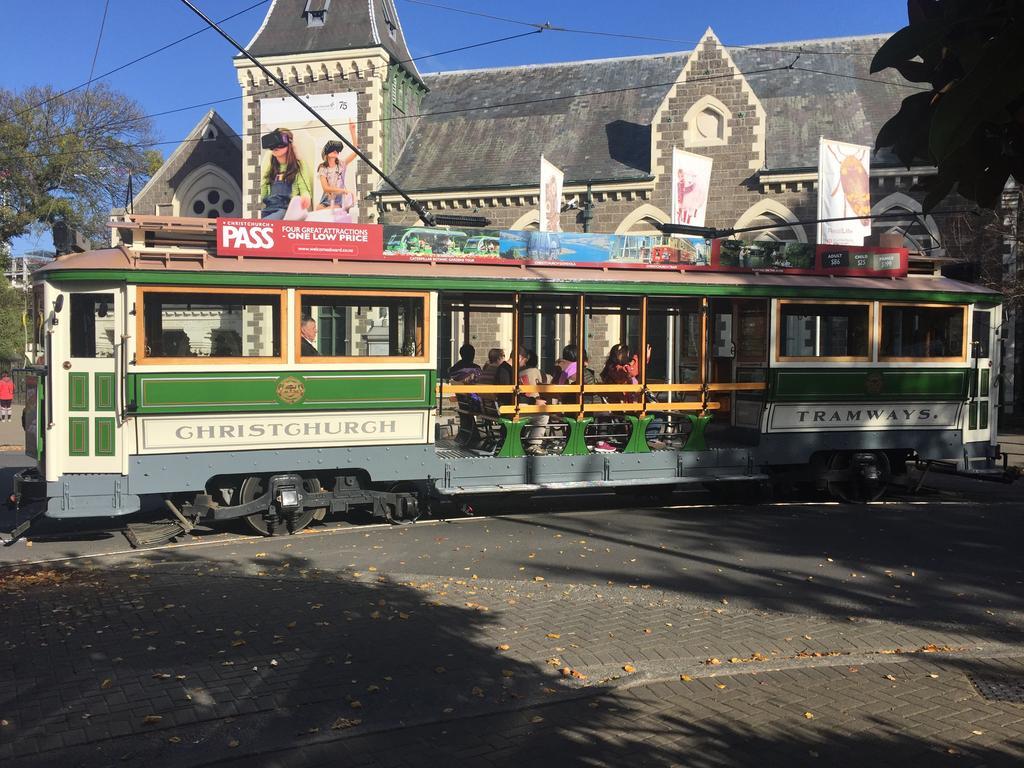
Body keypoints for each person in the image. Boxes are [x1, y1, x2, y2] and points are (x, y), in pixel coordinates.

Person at [260, 128, 313, 220]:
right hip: (268, 208)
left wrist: (306, 197)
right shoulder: (270, 166)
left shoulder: (298, 165)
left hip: (286, 210)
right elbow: (263, 190)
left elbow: (304, 189)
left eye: (279, 143)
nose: (275, 146)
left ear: (289, 144)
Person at [316, 126, 358, 214]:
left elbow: (355, 153)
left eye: (337, 150)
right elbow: (326, 188)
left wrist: (352, 131)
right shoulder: (323, 168)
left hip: (338, 201)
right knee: (318, 210)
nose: (335, 151)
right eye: (333, 149)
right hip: (326, 199)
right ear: (327, 153)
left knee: (327, 212)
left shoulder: (341, 165)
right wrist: (343, 191)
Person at [517, 349, 548, 455]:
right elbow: (543, 383)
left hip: (519, 404)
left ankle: (529, 439)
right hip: (527, 403)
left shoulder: (518, 371)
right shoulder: (535, 371)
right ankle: (533, 443)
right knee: (544, 414)